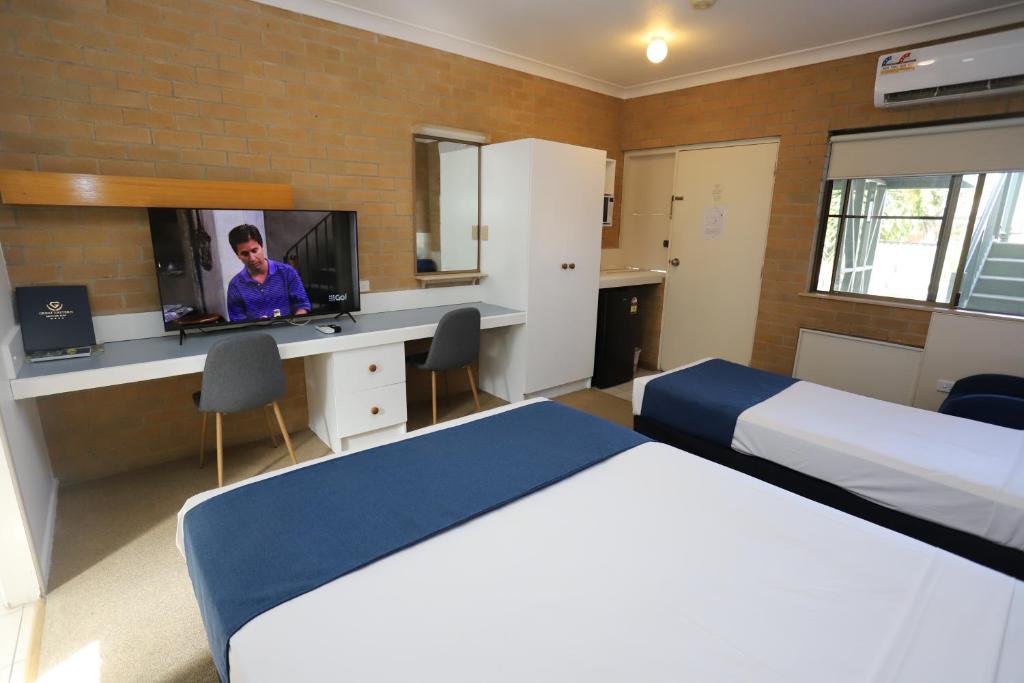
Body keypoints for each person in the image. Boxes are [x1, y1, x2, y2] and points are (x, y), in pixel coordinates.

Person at [225, 224, 311, 322]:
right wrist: (256, 325)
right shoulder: (235, 285)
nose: (252, 258)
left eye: (254, 250)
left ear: (262, 247)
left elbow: (302, 305)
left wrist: (293, 324)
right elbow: (237, 321)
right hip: (256, 336)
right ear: (238, 255)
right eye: (245, 254)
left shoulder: (287, 272)